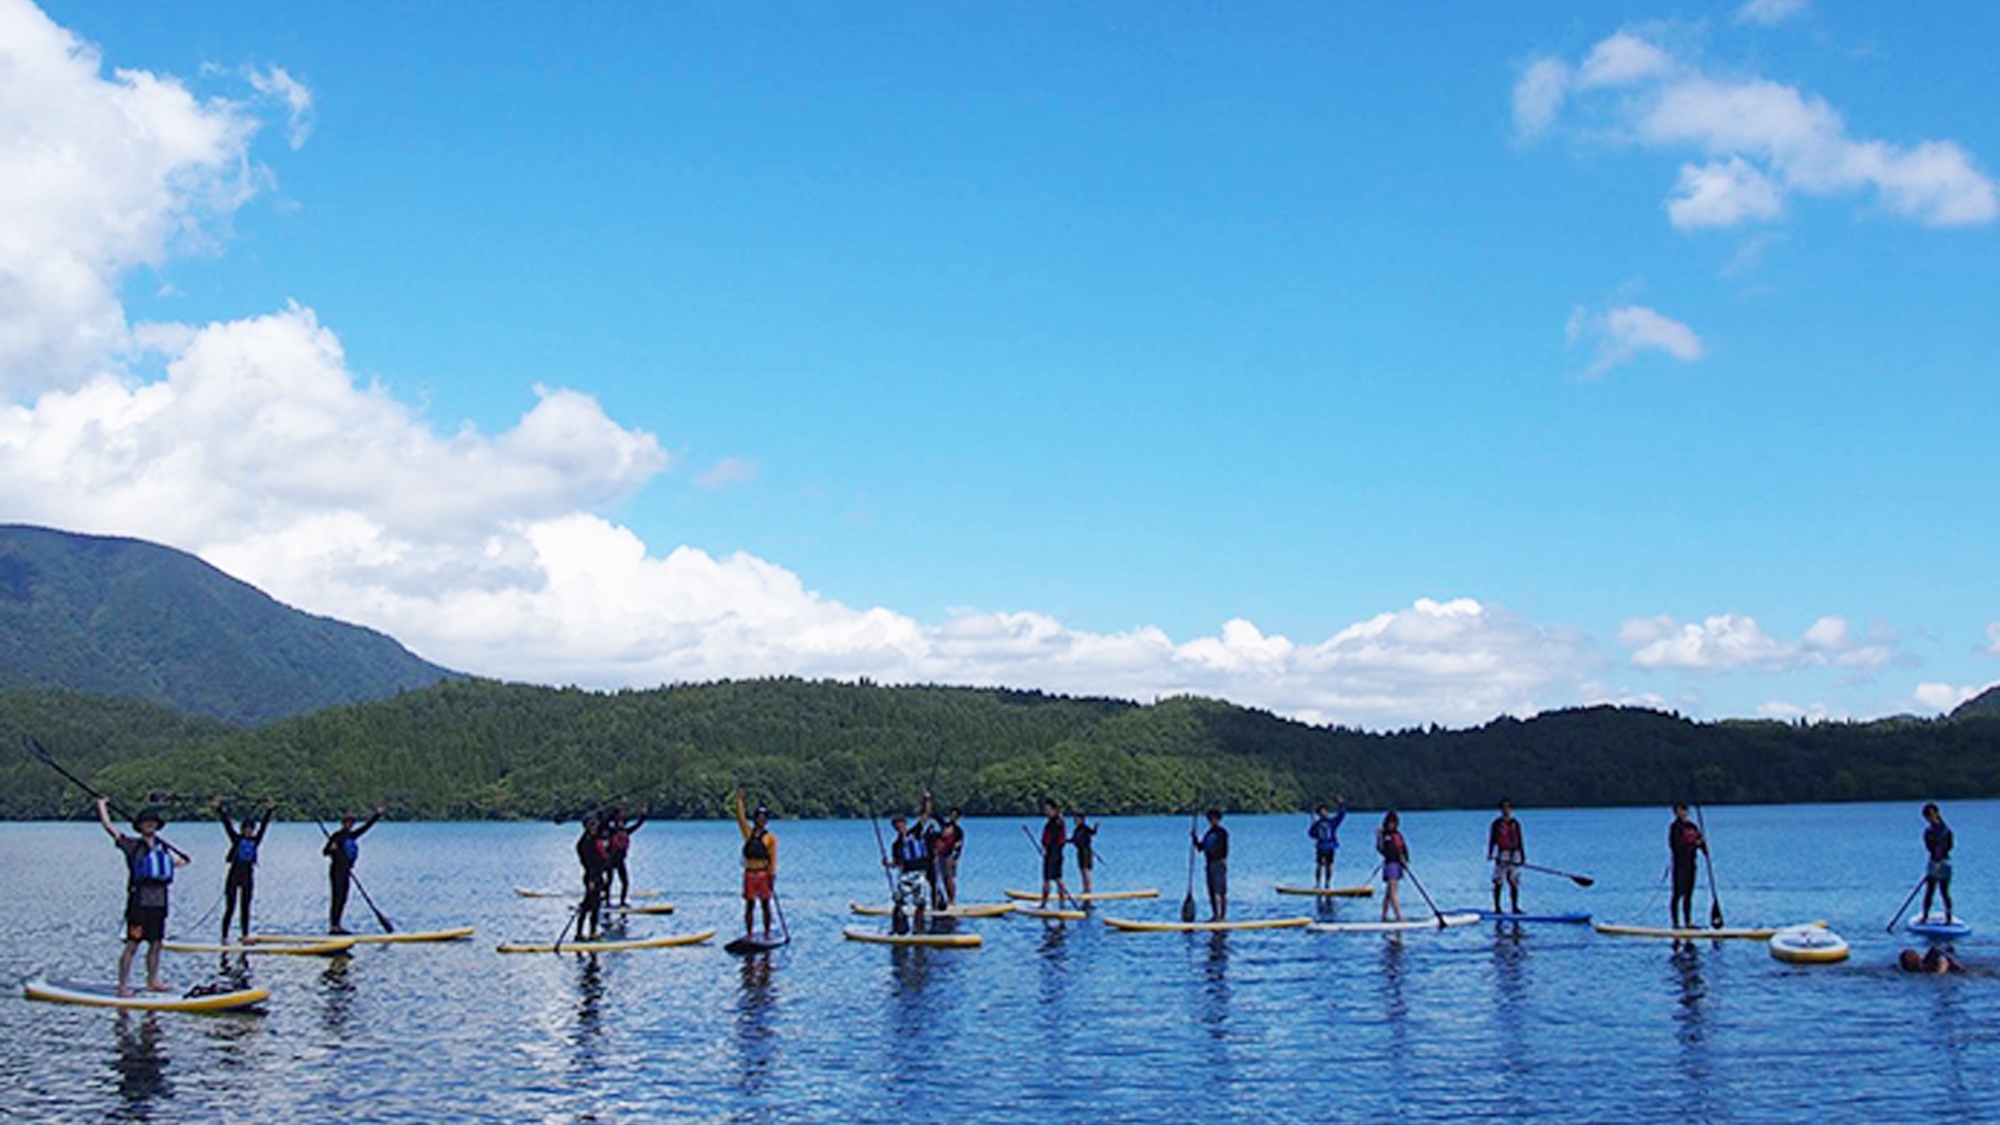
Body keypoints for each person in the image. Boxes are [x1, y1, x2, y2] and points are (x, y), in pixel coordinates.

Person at [96, 798, 188, 996]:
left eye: (153, 823)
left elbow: (172, 865)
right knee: (133, 943)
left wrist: (181, 862)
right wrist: (102, 805)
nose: (150, 825)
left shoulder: (162, 847)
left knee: (156, 944)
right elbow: (109, 827)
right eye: (147, 823)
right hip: (139, 903)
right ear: (140, 826)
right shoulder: (132, 846)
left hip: (160, 903)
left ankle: (153, 981)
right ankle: (123, 985)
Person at [214, 796, 275, 941]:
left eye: (250, 829)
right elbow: (227, 825)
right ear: (242, 830)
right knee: (230, 907)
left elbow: (265, 826)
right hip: (233, 875)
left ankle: (245, 934)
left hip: (248, 875)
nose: (248, 831)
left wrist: (269, 810)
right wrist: (219, 809)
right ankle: (224, 936)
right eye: (246, 829)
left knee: (245, 907)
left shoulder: (256, 840)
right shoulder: (236, 839)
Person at [323, 806, 383, 935]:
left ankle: (338, 924)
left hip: (346, 871)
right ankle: (334, 926)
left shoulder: (352, 835)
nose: (350, 824)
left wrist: (376, 815)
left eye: (351, 822)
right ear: (343, 823)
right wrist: (332, 848)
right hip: (336, 871)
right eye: (347, 821)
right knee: (337, 897)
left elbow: (366, 827)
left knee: (344, 898)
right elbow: (325, 852)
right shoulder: (337, 836)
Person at [732, 788, 778, 939]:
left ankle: (767, 932)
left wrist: (772, 875)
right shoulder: (748, 833)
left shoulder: (770, 838)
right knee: (750, 905)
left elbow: (772, 857)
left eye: (764, 818)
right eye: (759, 817)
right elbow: (740, 818)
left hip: (763, 873)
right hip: (750, 873)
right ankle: (749, 933)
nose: (761, 820)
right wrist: (739, 800)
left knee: (765, 904)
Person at [884, 814, 930, 931]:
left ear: (905, 824)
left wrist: (927, 800)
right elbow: (897, 863)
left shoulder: (915, 833)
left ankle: (917, 929)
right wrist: (889, 864)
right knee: (899, 900)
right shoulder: (896, 845)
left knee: (920, 902)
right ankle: (896, 927)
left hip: (919, 873)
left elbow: (925, 817)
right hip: (906, 875)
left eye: (901, 824)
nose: (899, 827)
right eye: (896, 826)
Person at [1667, 804, 1707, 930]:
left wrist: (1704, 848)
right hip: (1680, 865)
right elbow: (1676, 846)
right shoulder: (1675, 827)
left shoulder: (1692, 827)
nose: (1683, 813)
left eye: (1684, 810)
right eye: (1680, 811)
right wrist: (1694, 844)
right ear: (1676, 812)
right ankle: (1675, 923)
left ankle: (1688, 922)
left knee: (1689, 894)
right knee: (1678, 894)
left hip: (1691, 864)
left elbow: (1700, 841)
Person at [575, 815, 610, 940]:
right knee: (590, 906)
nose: (594, 827)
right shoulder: (585, 843)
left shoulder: (594, 839)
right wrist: (591, 880)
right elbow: (588, 863)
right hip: (591, 876)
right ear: (587, 827)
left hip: (598, 876)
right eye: (591, 825)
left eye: (595, 825)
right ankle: (586, 933)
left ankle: (588, 932)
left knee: (594, 906)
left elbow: (605, 821)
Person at [605, 805, 647, 907]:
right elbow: (604, 822)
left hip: (620, 861)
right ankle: (606, 902)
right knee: (609, 882)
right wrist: (614, 812)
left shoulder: (626, 831)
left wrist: (643, 815)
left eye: (623, 822)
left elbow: (638, 824)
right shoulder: (611, 831)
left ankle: (622, 902)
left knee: (625, 882)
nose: (621, 824)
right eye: (619, 822)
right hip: (610, 860)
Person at [1488, 800, 1526, 914]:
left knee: (1513, 881)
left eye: (1508, 808)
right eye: (1504, 808)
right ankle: (1497, 908)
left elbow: (1520, 840)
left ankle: (1514, 907)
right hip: (1502, 854)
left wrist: (1522, 856)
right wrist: (1491, 853)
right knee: (1498, 881)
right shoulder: (1496, 824)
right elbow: (1492, 839)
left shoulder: (1515, 823)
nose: (1506, 811)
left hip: (1514, 854)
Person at [1193, 808, 1229, 922]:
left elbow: (1220, 848)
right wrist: (1194, 839)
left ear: (1218, 819)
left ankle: (1221, 917)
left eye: (1213, 818)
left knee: (1220, 891)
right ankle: (1215, 915)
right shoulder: (1208, 834)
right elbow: (1200, 848)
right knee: (1212, 891)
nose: (1211, 820)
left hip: (1219, 864)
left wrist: (1222, 860)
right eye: (1210, 818)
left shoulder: (1222, 832)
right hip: (1209, 864)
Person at [1922, 803, 1954, 924]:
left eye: (1932, 815)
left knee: (1944, 891)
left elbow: (1948, 846)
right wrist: (1935, 860)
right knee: (1930, 891)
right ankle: (1925, 916)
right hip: (1934, 861)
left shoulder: (1946, 830)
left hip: (1944, 862)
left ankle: (1948, 917)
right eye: (1928, 816)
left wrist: (1939, 860)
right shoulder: (1928, 832)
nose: (1930, 818)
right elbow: (1930, 848)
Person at [1038, 798, 1073, 908]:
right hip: (1050, 852)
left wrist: (1050, 849)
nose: (1046, 812)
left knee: (1055, 878)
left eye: (1048, 809)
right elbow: (1046, 838)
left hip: (1055, 853)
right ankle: (1046, 903)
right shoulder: (1051, 822)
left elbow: (1059, 840)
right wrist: (1044, 846)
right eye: (1045, 809)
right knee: (1048, 878)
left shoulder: (1058, 821)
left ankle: (1058, 902)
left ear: (1054, 810)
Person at [1376, 810, 1409, 922]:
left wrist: (1405, 860)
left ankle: (1384, 916)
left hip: (1397, 865)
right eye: (1390, 822)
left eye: (1394, 823)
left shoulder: (1398, 835)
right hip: (1390, 864)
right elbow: (1381, 849)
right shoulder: (1385, 835)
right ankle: (1398, 916)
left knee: (1389, 892)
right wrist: (1379, 837)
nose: (1392, 825)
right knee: (1392, 892)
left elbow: (1403, 849)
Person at [1308, 798, 1347, 890]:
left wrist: (1341, 804)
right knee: (1319, 865)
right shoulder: (1317, 824)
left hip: (1330, 847)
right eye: (1322, 812)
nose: (1324, 813)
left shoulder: (1332, 822)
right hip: (1320, 847)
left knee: (1329, 866)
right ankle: (1317, 884)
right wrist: (1313, 828)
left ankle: (1327, 883)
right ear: (1319, 814)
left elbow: (1341, 815)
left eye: (1325, 811)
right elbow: (1311, 834)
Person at [932, 807, 966, 908]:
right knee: (937, 878)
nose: (953, 817)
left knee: (949, 878)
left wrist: (955, 859)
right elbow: (934, 815)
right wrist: (928, 800)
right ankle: (937, 900)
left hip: (949, 856)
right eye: (952, 814)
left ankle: (951, 900)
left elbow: (959, 846)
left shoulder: (959, 831)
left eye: (955, 815)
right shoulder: (944, 824)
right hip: (938, 855)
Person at [1071, 811, 1099, 896]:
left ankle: (1088, 889)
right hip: (1079, 851)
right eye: (1074, 819)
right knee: (1082, 870)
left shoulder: (1085, 828)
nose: (1075, 821)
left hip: (1086, 851)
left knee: (1086, 870)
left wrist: (1096, 826)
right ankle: (1084, 888)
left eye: (1077, 819)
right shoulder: (1076, 829)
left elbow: (1093, 833)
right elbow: (1073, 840)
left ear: (1082, 819)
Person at [1899, 948, 1963, 974]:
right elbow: (1939, 975)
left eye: (1914, 953)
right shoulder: (1922, 970)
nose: (1916, 954)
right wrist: (1943, 965)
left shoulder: (1923, 962)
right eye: (1911, 956)